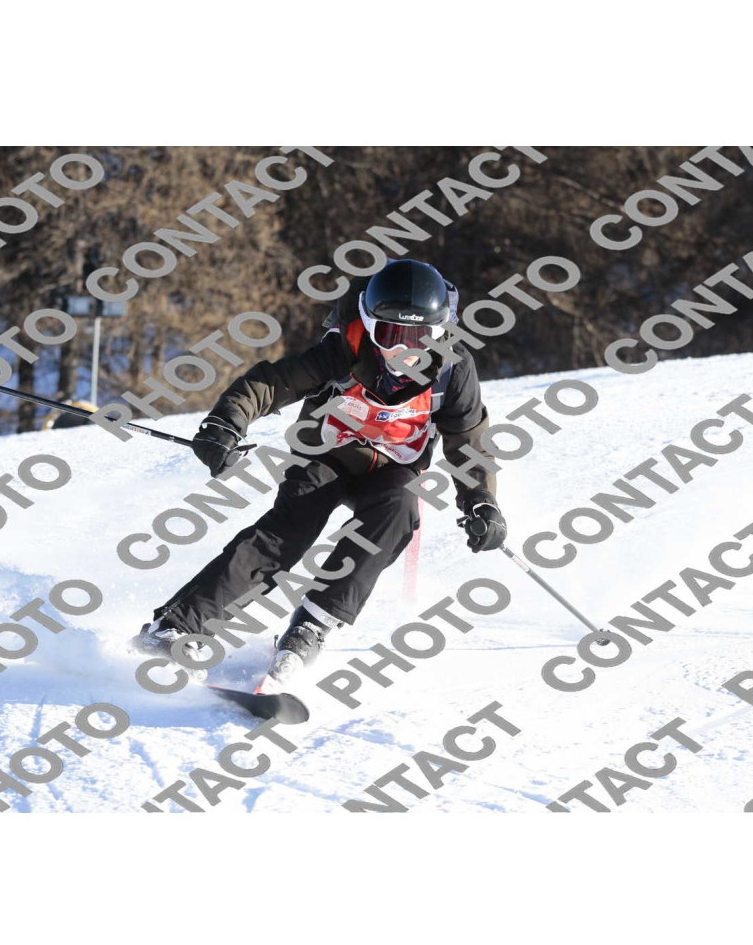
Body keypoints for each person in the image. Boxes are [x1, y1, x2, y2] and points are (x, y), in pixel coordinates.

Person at [132, 259, 507, 689]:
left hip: (394, 468)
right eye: (390, 335)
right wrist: (225, 423)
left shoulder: (453, 369)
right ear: (370, 325)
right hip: (325, 455)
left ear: (438, 332)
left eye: (418, 337)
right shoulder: (344, 348)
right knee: (286, 532)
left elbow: (469, 440)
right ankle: (175, 627)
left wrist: (481, 500)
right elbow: (271, 384)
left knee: (399, 510)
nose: (403, 350)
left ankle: (313, 623)